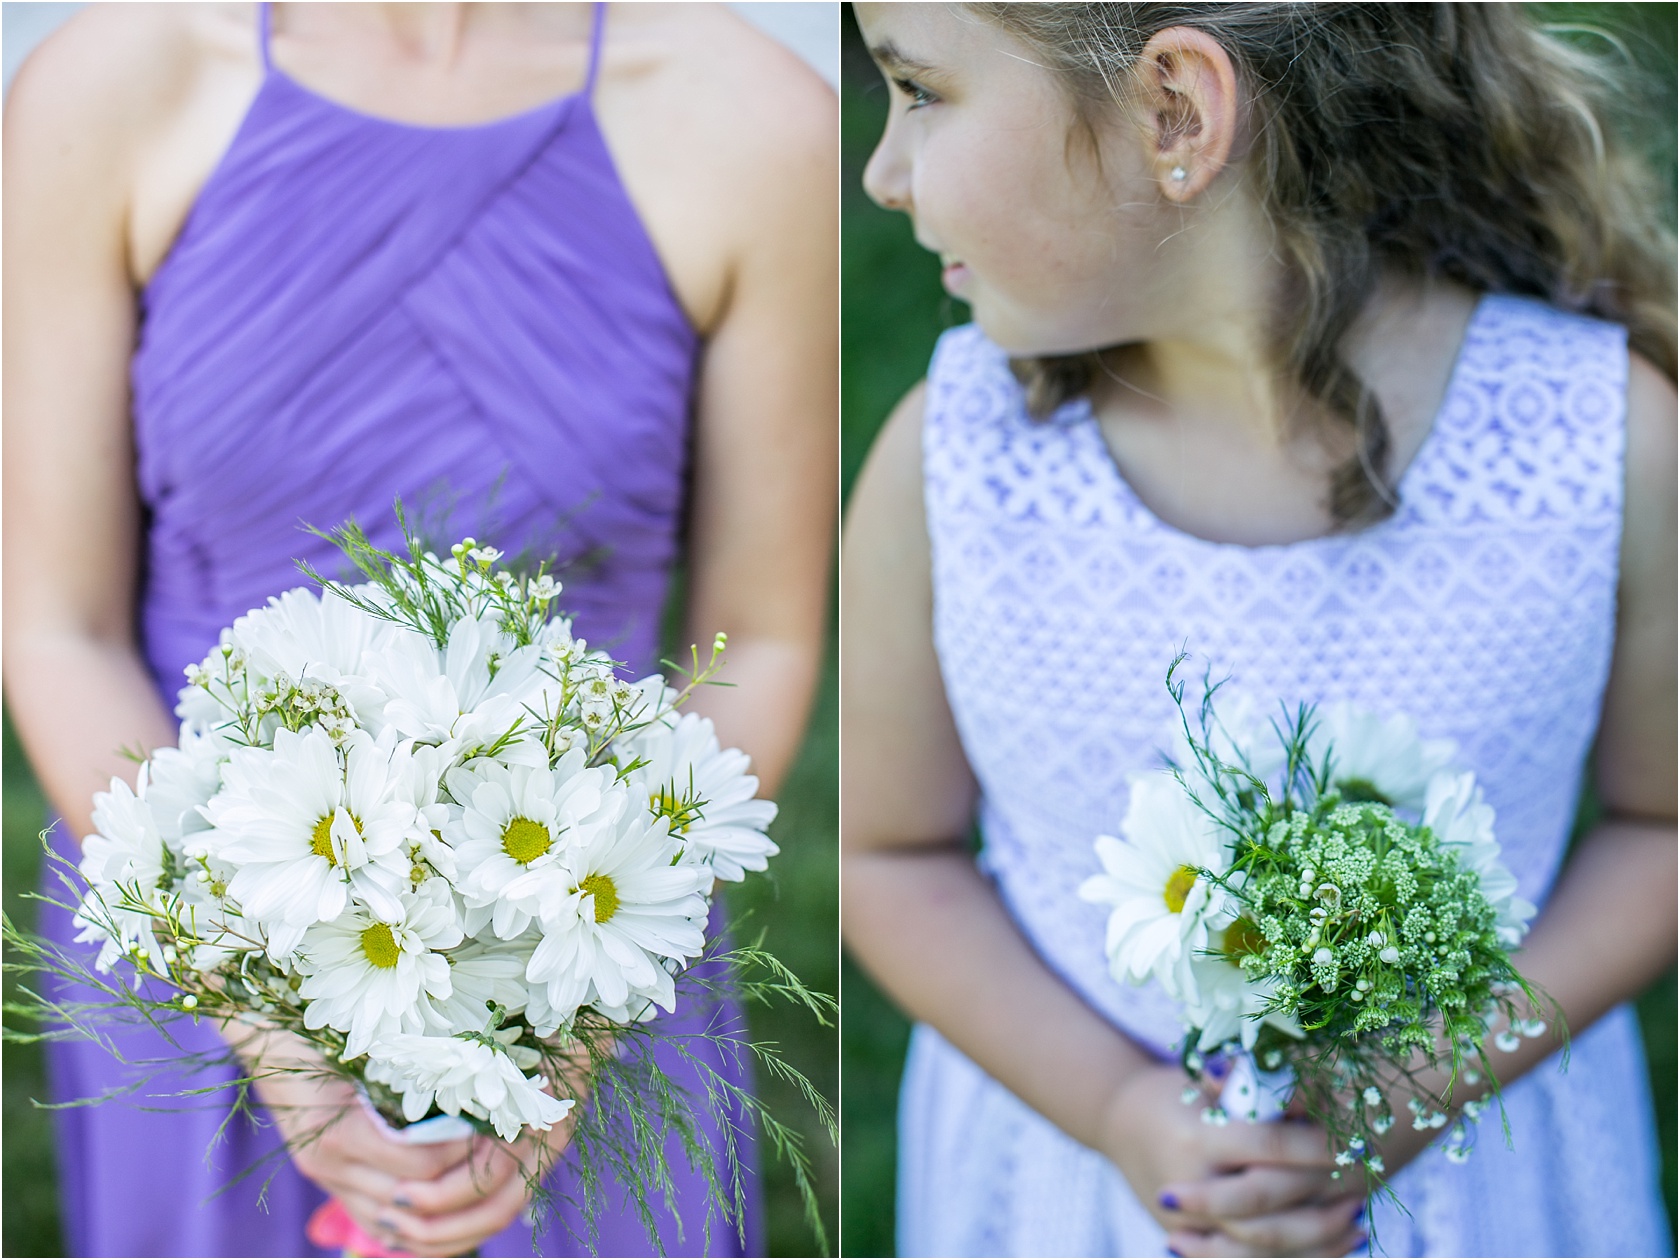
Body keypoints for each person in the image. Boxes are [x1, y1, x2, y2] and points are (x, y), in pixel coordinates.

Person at [841, 4, 1674, 1256]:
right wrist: (1123, 1107)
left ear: (1176, 110)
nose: (883, 172)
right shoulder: (955, 467)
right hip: (1081, 1192)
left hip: (1485, 1183)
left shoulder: (1598, 448)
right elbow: (890, 857)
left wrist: (1418, 1086)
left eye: (920, 91)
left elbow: (1664, 826)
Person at [3, 2, 835, 1255]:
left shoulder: (756, 125)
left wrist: (555, 1026)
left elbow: (758, 634)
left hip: (579, 953)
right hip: (195, 925)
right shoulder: (112, 86)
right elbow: (56, 622)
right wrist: (264, 1017)